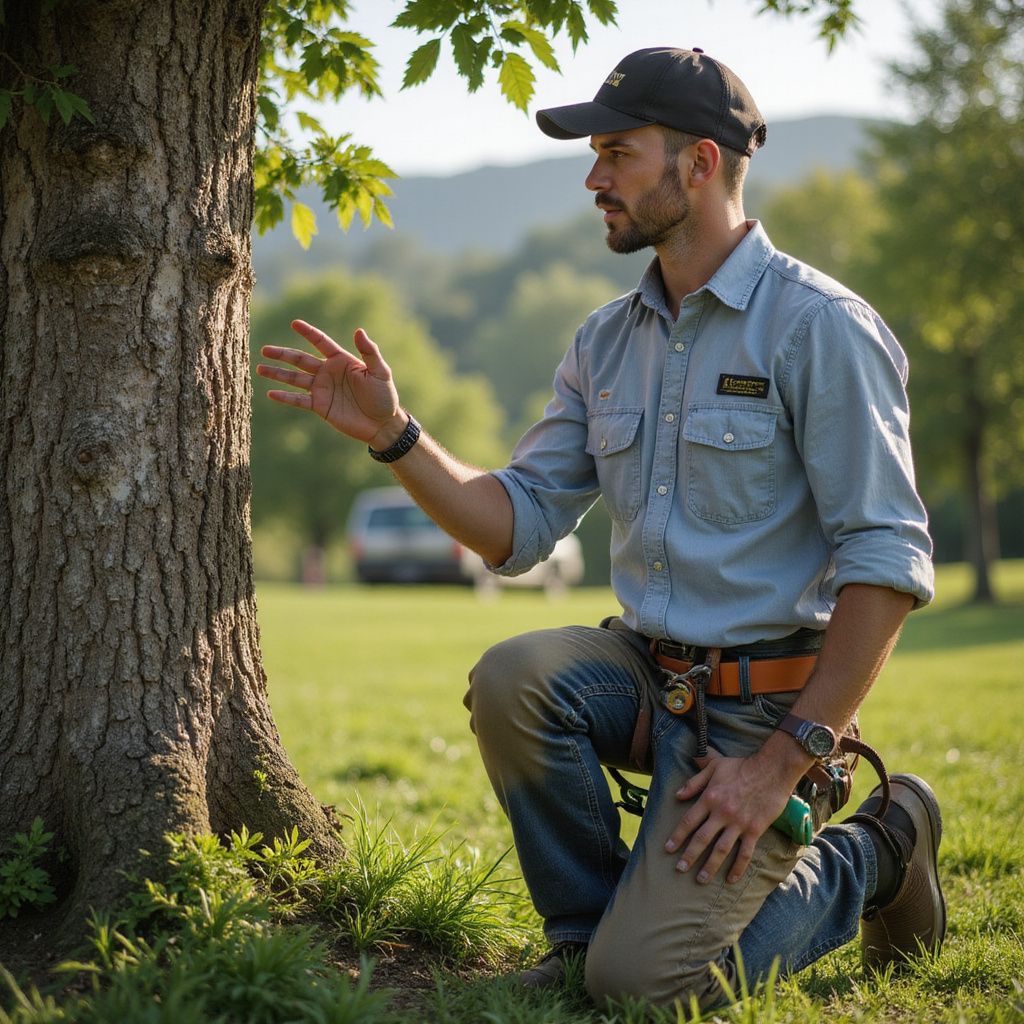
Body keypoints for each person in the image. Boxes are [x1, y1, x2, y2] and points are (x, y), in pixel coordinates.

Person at [257, 47, 945, 1010]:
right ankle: (582, 937)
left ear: (699, 165)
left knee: (651, 988)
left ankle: (879, 849)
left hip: (768, 718)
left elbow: (887, 563)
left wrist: (782, 762)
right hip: (643, 683)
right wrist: (396, 436)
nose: (594, 177)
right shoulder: (603, 341)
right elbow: (515, 529)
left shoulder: (820, 327)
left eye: (616, 152)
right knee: (514, 677)